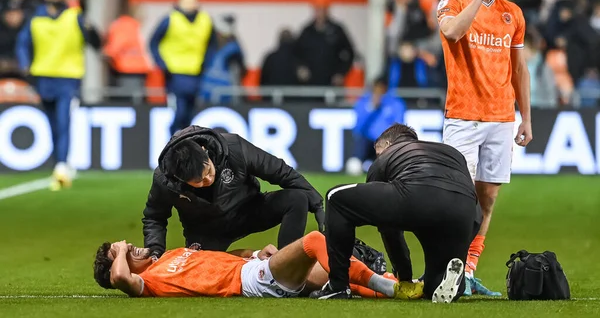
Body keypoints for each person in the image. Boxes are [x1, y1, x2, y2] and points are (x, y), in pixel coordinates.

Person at [436, 0, 532, 296]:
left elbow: (519, 70)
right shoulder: (451, 3)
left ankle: (469, 271)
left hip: (501, 119)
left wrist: (526, 118)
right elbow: (453, 32)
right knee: (457, 200)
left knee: (487, 199)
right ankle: (447, 267)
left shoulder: (513, 14)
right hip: (463, 118)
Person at [313, 124, 481, 303]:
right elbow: (477, 214)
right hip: (466, 210)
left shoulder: (389, 155)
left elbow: (388, 229)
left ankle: (338, 287)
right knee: (434, 285)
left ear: (387, 143)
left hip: (415, 194)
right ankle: (452, 279)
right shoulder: (450, 152)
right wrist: (459, 248)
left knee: (335, 198)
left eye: (377, 152)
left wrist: (404, 276)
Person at [143, 125, 325, 260]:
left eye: (208, 171)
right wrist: (154, 252)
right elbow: (155, 217)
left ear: (205, 151)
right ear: (180, 178)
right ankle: (250, 259)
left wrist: (317, 206)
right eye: (198, 181)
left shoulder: (234, 148)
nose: (207, 180)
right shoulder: (164, 180)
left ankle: (286, 264)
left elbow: (281, 172)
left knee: (296, 198)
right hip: (205, 231)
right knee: (199, 274)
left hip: (248, 210)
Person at [93, 231, 417, 299]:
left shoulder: (169, 256)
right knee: (316, 241)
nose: (129, 245)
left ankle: (411, 287)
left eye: (125, 245)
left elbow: (223, 258)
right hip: (252, 283)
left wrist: (255, 253)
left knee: (337, 273)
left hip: (253, 269)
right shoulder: (146, 283)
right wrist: (117, 252)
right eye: (123, 250)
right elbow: (120, 277)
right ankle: (387, 285)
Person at [15, 0, 101, 191]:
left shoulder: (75, 16)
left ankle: (61, 166)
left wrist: (89, 28)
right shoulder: (35, 18)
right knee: (52, 123)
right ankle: (59, 164)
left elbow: (95, 41)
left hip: (68, 76)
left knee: (64, 121)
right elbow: (22, 43)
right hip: (44, 75)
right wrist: (25, 63)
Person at [149, 0, 215, 136]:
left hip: (195, 73)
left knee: (190, 115)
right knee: (178, 112)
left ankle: (185, 146)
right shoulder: (170, 19)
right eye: (186, 0)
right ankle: (173, 143)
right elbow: (153, 42)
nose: (190, 4)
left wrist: (206, 63)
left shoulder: (205, 20)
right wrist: (162, 64)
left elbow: (213, 44)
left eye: (192, 0)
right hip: (175, 74)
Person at [345, 77, 406, 175]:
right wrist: (372, 107)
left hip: (385, 140)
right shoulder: (364, 101)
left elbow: (399, 125)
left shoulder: (395, 103)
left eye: (381, 88)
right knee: (355, 162)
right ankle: (360, 162)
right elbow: (358, 127)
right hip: (367, 140)